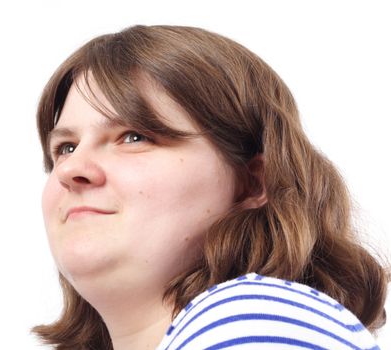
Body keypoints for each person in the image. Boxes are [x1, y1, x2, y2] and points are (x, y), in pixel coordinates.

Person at [31, 25, 388, 349]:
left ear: (252, 182)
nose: (71, 168)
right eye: (66, 148)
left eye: (133, 137)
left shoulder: (250, 322)